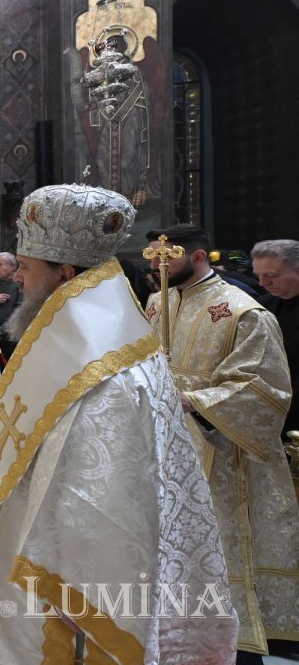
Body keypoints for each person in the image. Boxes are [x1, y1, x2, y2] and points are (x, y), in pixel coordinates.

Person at [0, 184, 237, 664]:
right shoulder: (92, 336)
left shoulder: (108, 374)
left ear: (64, 274)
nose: (17, 277)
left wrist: (71, 584)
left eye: (26, 268)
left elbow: (104, 509)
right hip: (27, 540)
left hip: (57, 573)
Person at [146, 223, 298, 662]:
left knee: (219, 549)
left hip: (221, 452)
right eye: (153, 258)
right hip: (163, 447)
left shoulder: (242, 312)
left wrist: (194, 400)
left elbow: (264, 387)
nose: (158, 266)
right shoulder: (156, 304)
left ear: (197, 256)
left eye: (167, 258)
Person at [252, 239, 299, 437]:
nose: (262, 283)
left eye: (271, 276)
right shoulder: (260, 306)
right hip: (271, 411)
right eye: (258, 276)